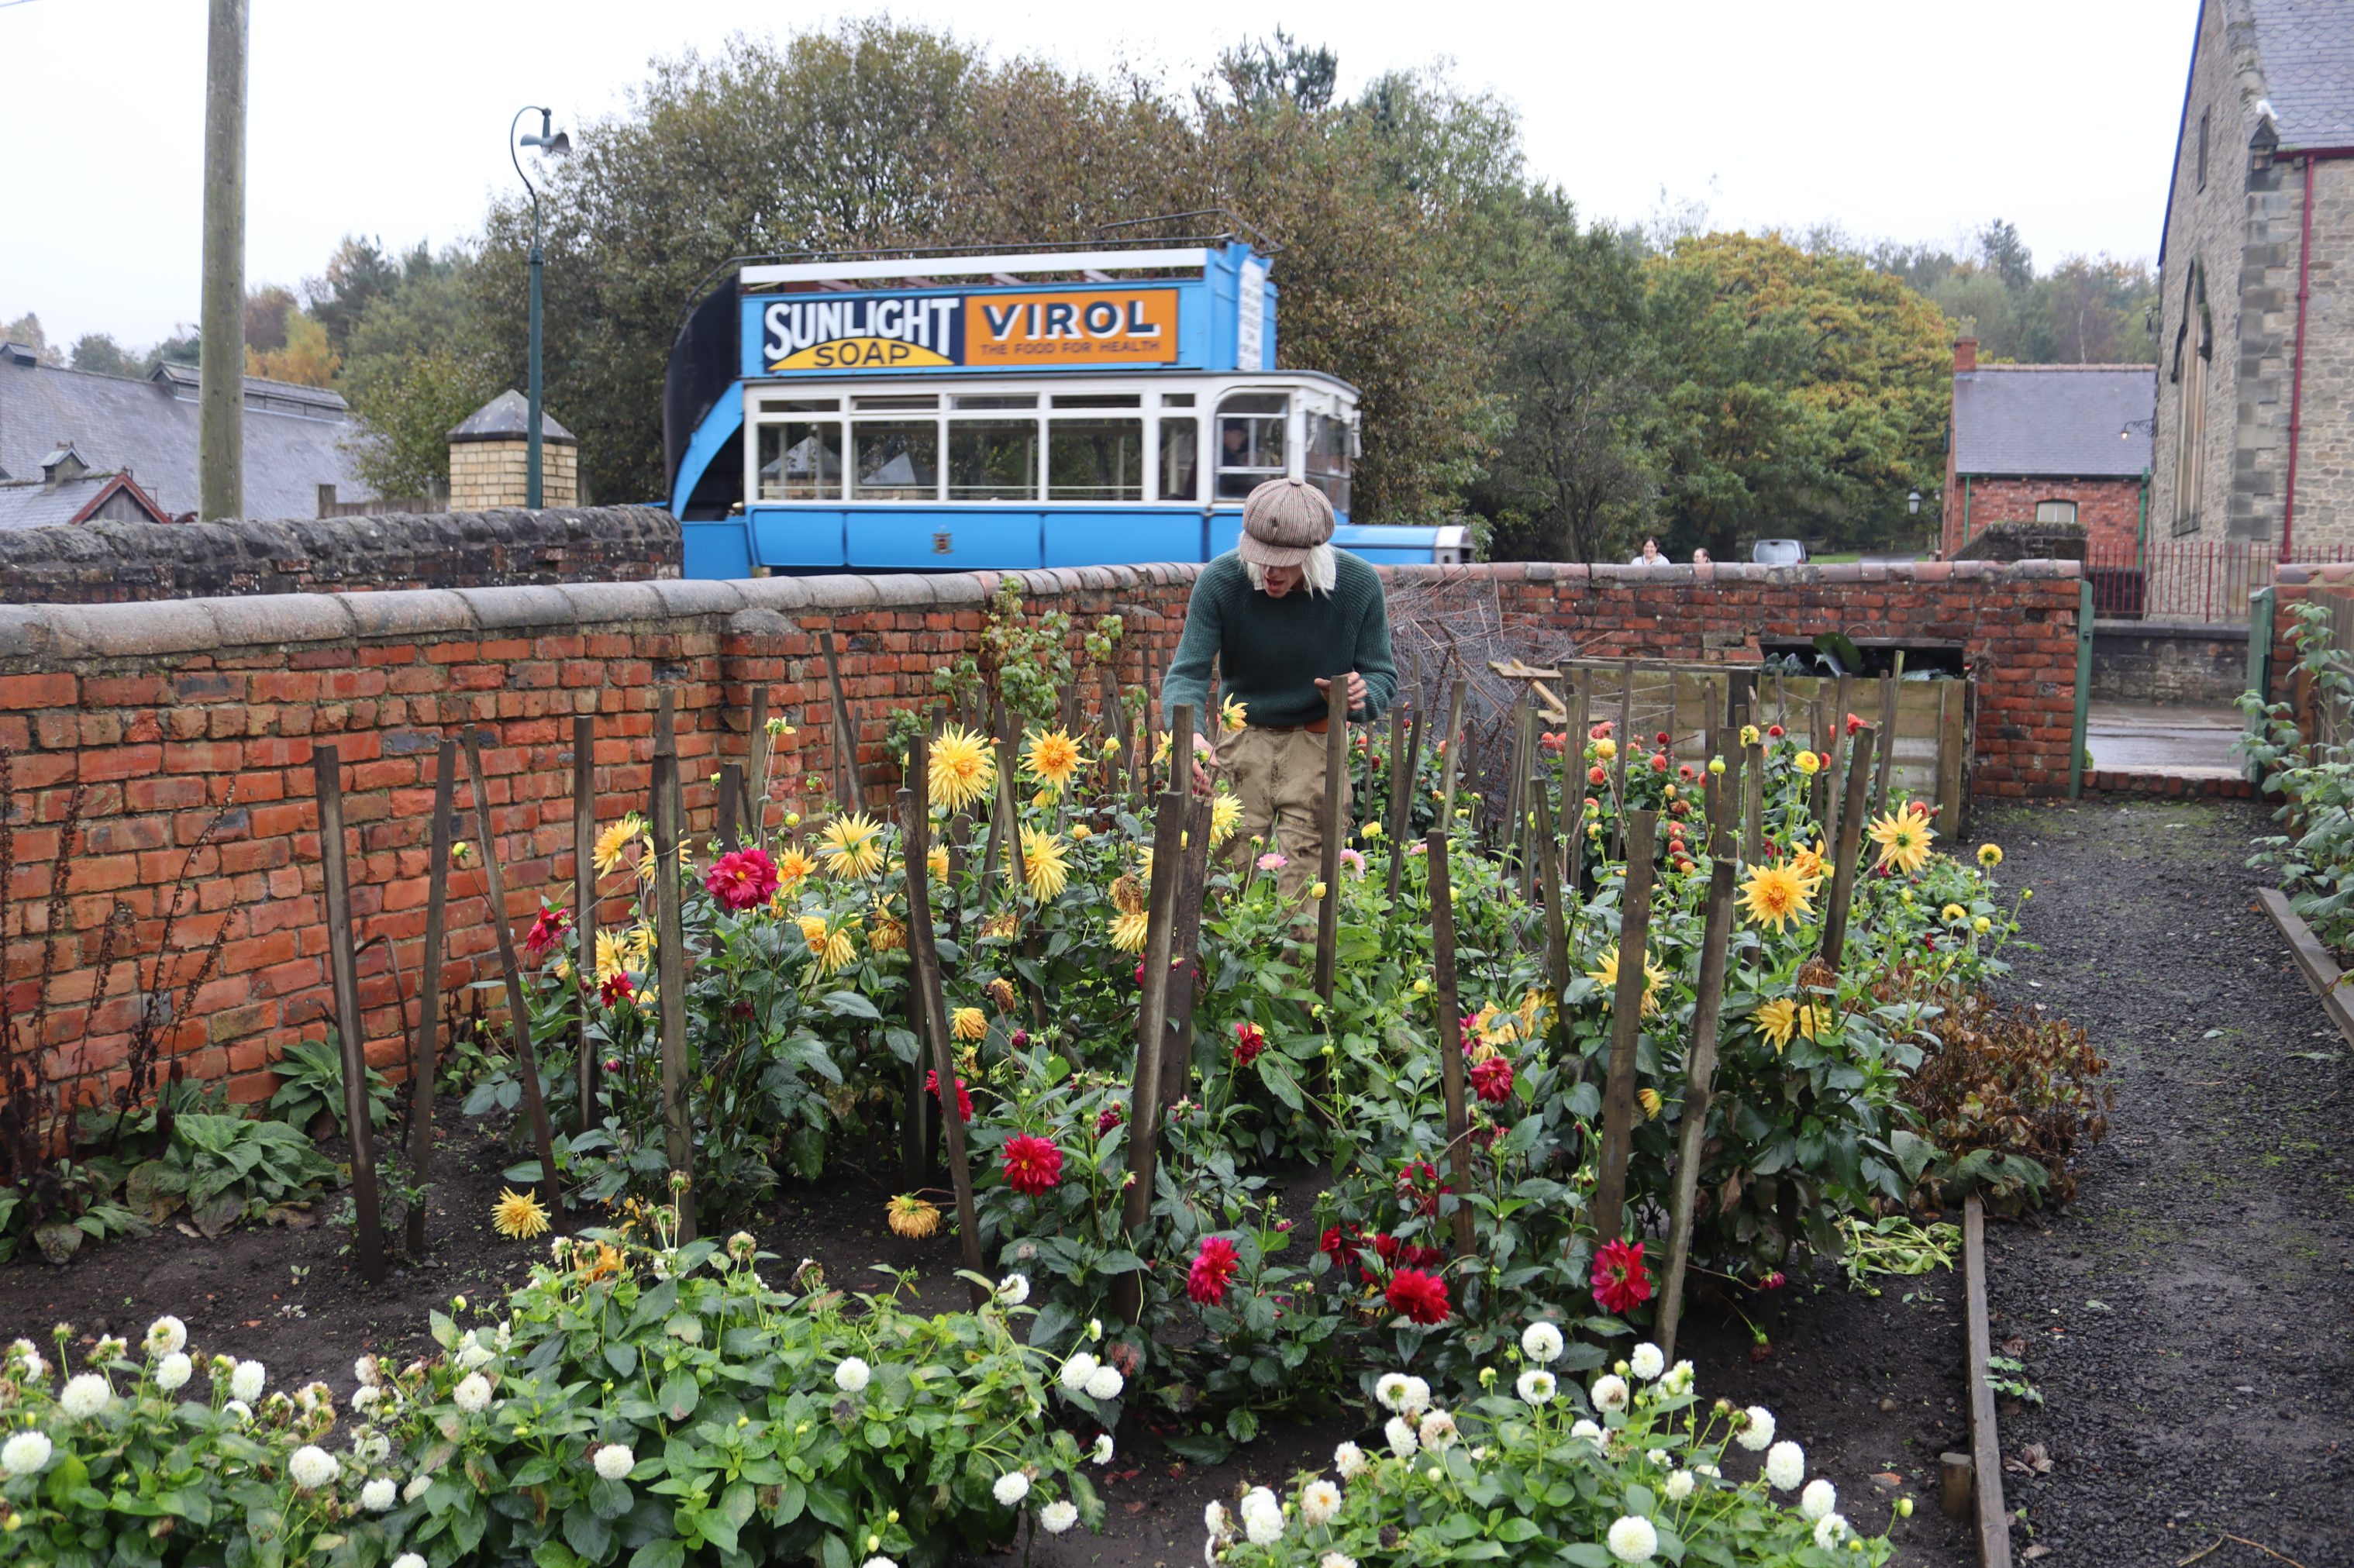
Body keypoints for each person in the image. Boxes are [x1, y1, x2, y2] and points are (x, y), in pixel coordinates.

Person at [1162, 477, 1397, 900]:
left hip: (1318, 748)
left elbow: (1382, 676)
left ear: (1314, 551)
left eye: (1283, 560)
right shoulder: (1221, 581)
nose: (1270, 571)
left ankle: (1300, 965)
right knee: (1219, 887)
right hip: (1240, 745)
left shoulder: (1359, 586)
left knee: (1307, 898)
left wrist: (1360, 696)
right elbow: (1187, 673)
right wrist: (1192, 738)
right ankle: (1210, 969)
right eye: (1261, 557)